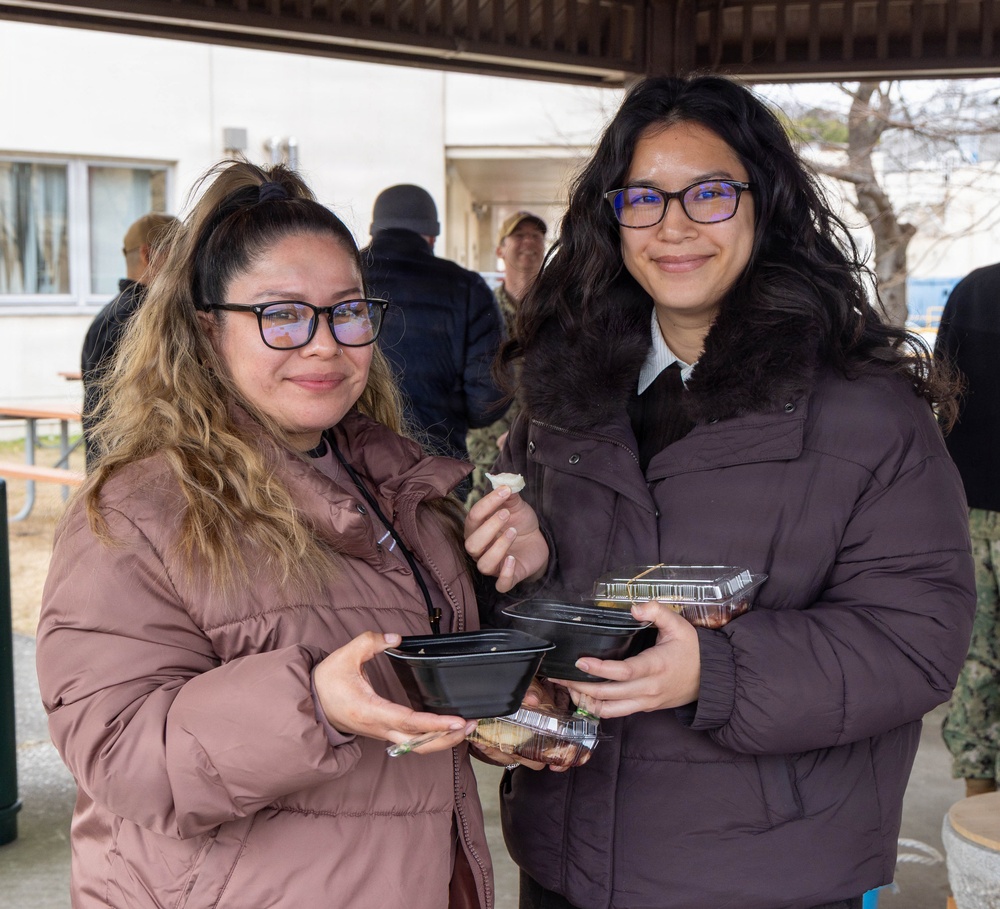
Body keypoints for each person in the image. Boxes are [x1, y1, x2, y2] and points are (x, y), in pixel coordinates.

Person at [464, 74, 976, 909]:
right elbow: (527, 613)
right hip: (567, 863)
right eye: (644, 198)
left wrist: (718, 670)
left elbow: (918, 639)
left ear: (763, 205)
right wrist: (520, 570)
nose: (674, 227)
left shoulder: (865, 412)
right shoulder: (563, 393)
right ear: (611, 216)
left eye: (708, 194)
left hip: (770, 875)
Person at [36, 162, 495, 909]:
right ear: (206, 328)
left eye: (348, 310)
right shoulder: (136, 512)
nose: (324, 344)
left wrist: (507, 589)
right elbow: (120, 755)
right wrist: (312, 703)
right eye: (283, 314)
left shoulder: (396, 485)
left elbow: (423, 671)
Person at [362, 183, 508, 499]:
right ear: (432, 235)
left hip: (351, 472)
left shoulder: (345, 278)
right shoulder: (467, 288)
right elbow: (488, 400)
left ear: (374, 230)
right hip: (438, 474)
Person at [935, 263, 1000, 798]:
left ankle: (978, 817)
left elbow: (942, 397)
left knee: (976, 662)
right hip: (969, 503)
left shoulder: (972, 292)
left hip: (967, 508)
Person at [80, 211, 179, 467]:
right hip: (129, 470)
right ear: (148, 255)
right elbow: (116, 416)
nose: (189, 265)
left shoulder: (117, 313)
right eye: (179, 253)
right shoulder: (132, 318)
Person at [466, 211, 547, 507]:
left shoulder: (561, 313)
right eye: (519, 235)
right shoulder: (482, 312)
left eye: (536, 236)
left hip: (547, 447)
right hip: (489, 449)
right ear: (500, 249)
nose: (528, 242)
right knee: (481, 526)